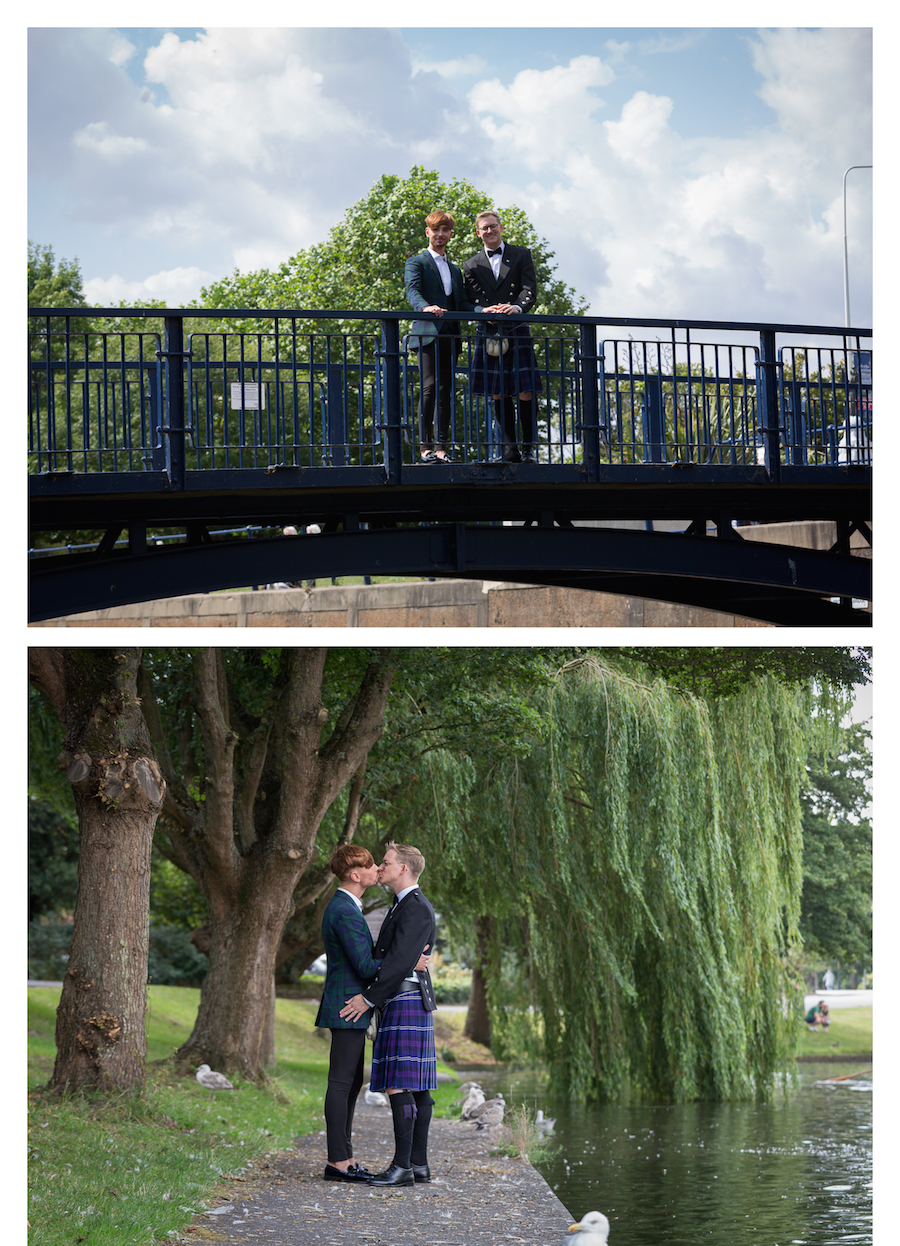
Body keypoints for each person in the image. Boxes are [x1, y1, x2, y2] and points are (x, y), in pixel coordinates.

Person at [339, 842, 437, 1187]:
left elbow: (397, 963)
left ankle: (402, 1168)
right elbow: (400, 957)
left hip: (405, 998)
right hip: (404, 998)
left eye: (386, 862)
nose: (380, 867)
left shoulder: (415, 908)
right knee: (419, 1088)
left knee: (399, 1086)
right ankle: (418, 1165)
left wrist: (367, 999)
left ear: (404, 869)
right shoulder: (404, 905)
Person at [314, 845, 382, 1183]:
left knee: (351, 1081)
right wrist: (406, 962)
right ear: (356, 875)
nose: (376, 869)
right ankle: (337, 1162)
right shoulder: (344, 910)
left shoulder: (347, 907)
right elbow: (366, 965)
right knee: (341, 1084)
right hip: (347, 1007)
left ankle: (346, 1158)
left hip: (348, 1006)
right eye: (370, 866)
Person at [463, 210, 542, 463]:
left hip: (516, 325)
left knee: (525, 390)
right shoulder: (471, 264)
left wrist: (516, 307)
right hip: (488, 329)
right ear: (478, 232)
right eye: (484, 228)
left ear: (501, 227)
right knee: (498, 392)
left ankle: (529, 449)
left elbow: (529, 288)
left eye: (493, 226)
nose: (489, 231)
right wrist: (485, 310)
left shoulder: (521, 254)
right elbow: (472, 297)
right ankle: (510, 450)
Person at [404, 211, 476, 463]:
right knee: (429, 388)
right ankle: (425, 449)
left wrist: (482, 311)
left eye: (445, 230)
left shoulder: (456, 270)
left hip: (450, 335)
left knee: (446, 391)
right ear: (428, 232)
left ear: (451, 234)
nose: (440, 235)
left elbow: (464, 304)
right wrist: (424, 307)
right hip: (427, 334)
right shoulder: (417, 262)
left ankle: (442, 450)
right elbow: (412, 291)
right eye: (436, 230)